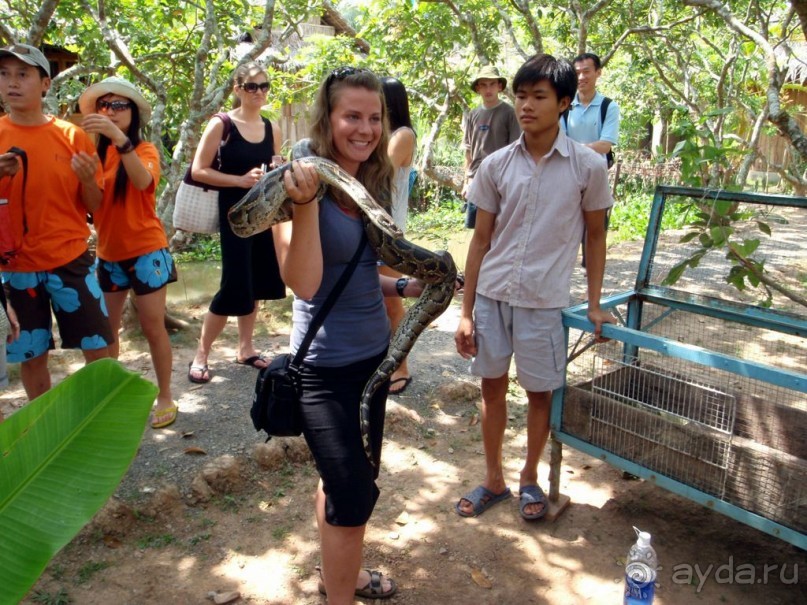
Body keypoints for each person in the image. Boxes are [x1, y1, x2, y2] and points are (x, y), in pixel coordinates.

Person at [273, 66, 426, 604]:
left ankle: (345, 575)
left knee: (344, 482)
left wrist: (405, 283)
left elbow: (358, 270)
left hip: (372, 363)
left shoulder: (369, 180)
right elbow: (308, 282)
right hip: (322, 369)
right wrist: (307, 204)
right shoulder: (290, 184)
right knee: (355, 495)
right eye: (351, 116)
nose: (364, 129)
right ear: (328, 118)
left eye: (374, 117)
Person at [454, 53, 614, 521]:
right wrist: (465, 312)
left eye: (538, 97)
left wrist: (596, 303)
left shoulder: (588, 167)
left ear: (564, 102)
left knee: (540, 392)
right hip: (493, 296)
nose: (526, 105)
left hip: (544, 301)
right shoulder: (497, 165)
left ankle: (529, 479)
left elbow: (596, 236)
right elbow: (480, 241)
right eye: (521, 96)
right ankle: (493, 480)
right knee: (491, 389)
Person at [0, 43, 112, 401]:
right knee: (32, 359)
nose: (11, 83)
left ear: (45, 83)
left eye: (22, 74)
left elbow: (94, 204)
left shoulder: (71, 135)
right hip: (16, 271)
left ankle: (98, 421)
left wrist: (85, 178)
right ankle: (46, 428)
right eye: (4, 74)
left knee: (99, 352)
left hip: (70, 261)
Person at [78, 76, 179, 429]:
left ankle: (165, 394)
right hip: (108, 255)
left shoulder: (146, 150)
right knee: (106, 331)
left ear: (133, 113)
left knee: (153, 328)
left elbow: (142, 182)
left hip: (146, 252)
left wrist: (121, 141)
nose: (109, 111)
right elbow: (93, 207)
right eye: (103, 105)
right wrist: (87, 178)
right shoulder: (94, 154)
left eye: (118, 105)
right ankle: (111, 398)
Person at [188, 61, 286, 383]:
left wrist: (275, 170)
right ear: (238, 89)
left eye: (264, 86)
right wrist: (239, 180)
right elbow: (199, 170)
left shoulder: (272, 128)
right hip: (233, 212)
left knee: (255, 280)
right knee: (233, 283)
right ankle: (201, 353)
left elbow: (275, 169)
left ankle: (246, 348)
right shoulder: (222, 124)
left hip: (262, 214)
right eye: (252, 86)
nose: (259, 92)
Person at [380, 76, 417, 394]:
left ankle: (401, 367)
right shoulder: (380, 133)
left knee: (392, 301)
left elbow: (379, 170)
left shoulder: (402, 135)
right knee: (375, 299)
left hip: (388, 231)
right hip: (371, 227)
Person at [461, 64, 520, 229]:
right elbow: (468, 151)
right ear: (478, 88)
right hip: (477, 178)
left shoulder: (509, 113)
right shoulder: (473, 115)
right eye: (484, 84)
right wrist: (467, 181)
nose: (488, 89)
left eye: (492, 84)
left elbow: (516, 149)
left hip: (501, 179)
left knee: (500, 229)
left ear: (500, 86)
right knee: (478, 230)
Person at [560, 52, 620, 167]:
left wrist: (575, 149)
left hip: (597, 172)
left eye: (586, 71)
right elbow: (561, 141)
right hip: (569, 170)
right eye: (577, 73)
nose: (581, 77)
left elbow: (605, 146)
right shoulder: (564, 105)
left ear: (598, 72)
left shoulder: (608, 107)